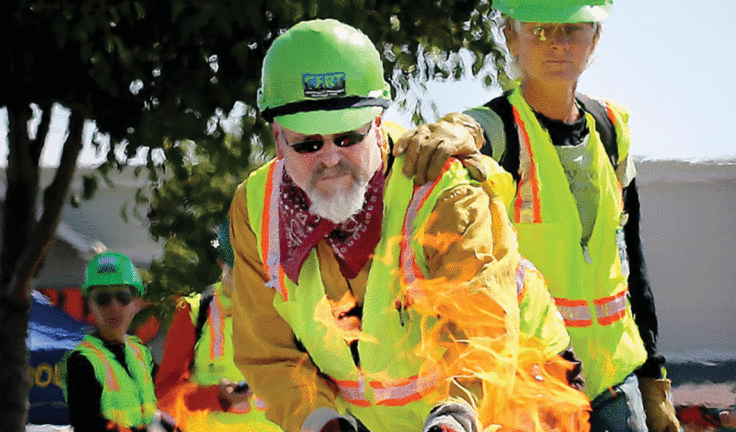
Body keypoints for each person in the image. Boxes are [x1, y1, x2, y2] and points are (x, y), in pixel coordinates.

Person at [229, 18, 588, 432]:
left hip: (520, 389)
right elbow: (269, 353)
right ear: (277, 139)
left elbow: (481, 330)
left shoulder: (443, 191)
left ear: (378, 126)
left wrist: (458, 414)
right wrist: (321, 421)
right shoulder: (255, 209)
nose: (330, 160)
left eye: (347, 138)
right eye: (308, 144)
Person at [397, 1, 680, 431]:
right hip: (532, 390)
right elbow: (473, 129)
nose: (559, 44)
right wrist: (459, 130)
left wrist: (654, 381)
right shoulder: (501, 130)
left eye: (572, 30)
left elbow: (632, 266)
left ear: (595, 38)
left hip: (612, 386)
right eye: (541, 30)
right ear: (511, 36)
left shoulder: (610, 129)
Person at [154, 219, 284, 432]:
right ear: (222, 263)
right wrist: (214, 396)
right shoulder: (194, 312)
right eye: (240, 272)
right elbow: (167, 396)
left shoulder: (288, 310)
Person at [60, 252, 158, 432]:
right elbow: (87, 425)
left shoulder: (141, 353)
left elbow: (171, 397)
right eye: (103, 298)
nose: (114, 307)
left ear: (136, 303)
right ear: (91, 305)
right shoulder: (81, 361)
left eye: (123, 297)